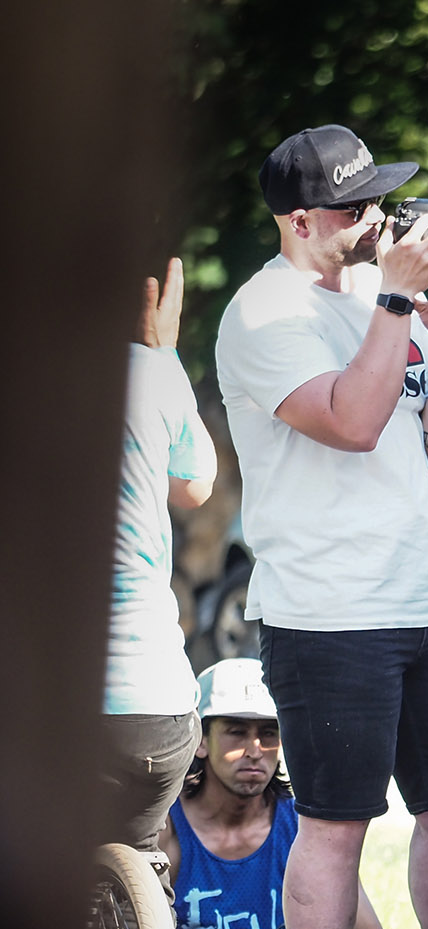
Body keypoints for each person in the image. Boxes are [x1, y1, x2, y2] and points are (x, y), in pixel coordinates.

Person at [215, 124, 428, 929]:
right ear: (299, 220)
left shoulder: (391, 308)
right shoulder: (263, 316)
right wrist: (397, 301)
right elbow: (353, 418)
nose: (377, 219)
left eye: (382, 200)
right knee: (335, 823)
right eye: (356, 206)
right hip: (328, 613)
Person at [162, 661, 417, 929]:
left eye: (268, 734)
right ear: (200, 739)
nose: (254, 751)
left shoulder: (302, 829)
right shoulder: (167, 827)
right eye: (236, 732)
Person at [103, 258, 216, 872]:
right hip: (160, 704)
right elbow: (193, 487)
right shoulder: (155, 374)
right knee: (138, 850)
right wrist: (165, 358)